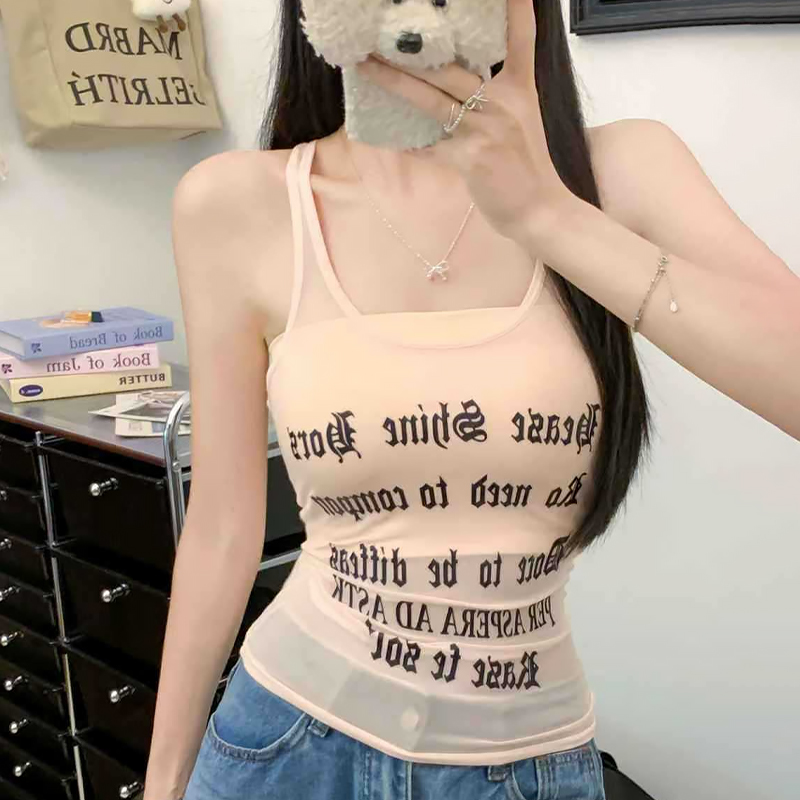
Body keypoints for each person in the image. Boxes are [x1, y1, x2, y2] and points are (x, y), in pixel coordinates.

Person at [141, 1, 800, 799]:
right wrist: (163, 783)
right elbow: (221, 526)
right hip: (286, 739)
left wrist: (548, 215)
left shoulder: (623, 169)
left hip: (524, 759)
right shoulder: (235, 202)